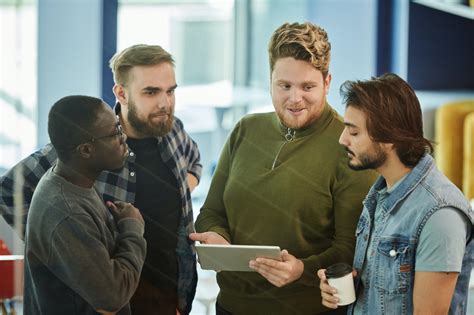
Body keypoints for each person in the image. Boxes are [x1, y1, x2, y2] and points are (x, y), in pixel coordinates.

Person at [190, 22, 377, 314]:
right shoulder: (245, 130)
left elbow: (353, 251)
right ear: (270, 81)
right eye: (284, 85)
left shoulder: (349, 145)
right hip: (230, 306)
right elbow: (212, 212)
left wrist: (302, 269)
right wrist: (218, 238)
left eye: (308, 87)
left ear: (327, 83)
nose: (294, 98)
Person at [0, 44, 202, 314]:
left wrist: (182, 191)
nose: (165, 103)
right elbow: (9, 190)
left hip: (171, 291)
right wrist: (61, 249)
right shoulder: (92, 147)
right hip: (118, 295)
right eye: (151, 92)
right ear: (122, 93)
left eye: (170, 90)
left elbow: (194, 160)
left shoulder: (172, 129)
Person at [317, 73, 473, 314]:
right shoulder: (381, 194)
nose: (342, 139)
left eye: (354, 132)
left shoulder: (440, 215)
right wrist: (344, 288)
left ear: (389, 137)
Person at [24, 95, 146, 314]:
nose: (124, 137)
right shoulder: (67, 212)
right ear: (86, 150)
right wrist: (132, 229)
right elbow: (112, 296)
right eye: (115, 133)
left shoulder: (75, 180)